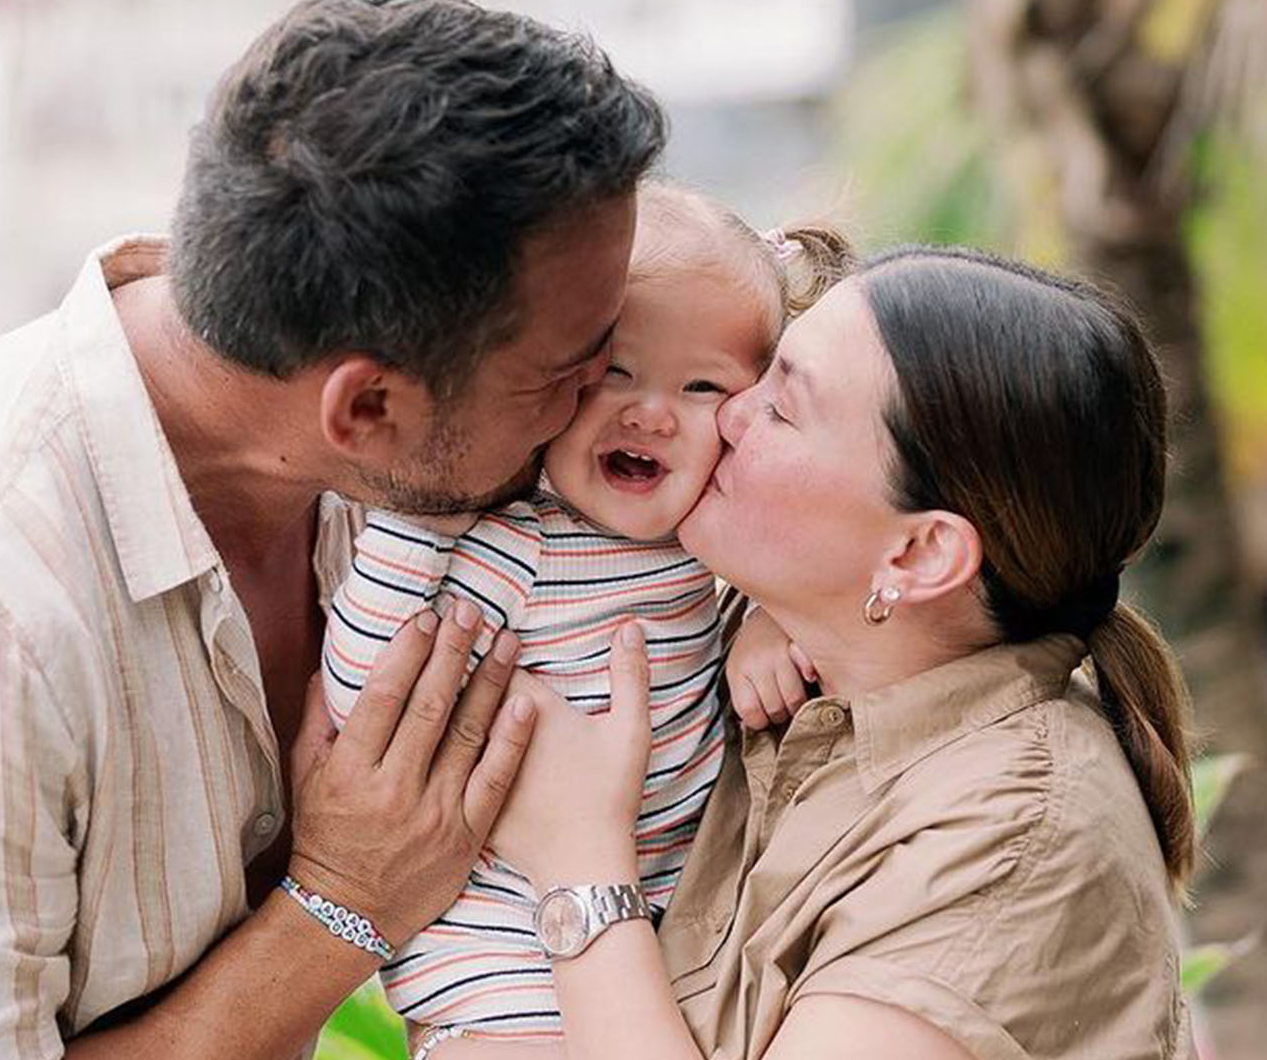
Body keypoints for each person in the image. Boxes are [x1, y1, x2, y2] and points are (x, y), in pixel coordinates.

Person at [0, 0, 667, 1059]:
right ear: (366, 405)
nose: (603, 394)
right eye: (570, 369)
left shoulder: (369, 477)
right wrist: (339, 903)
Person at [440, 247, 1194, 1060]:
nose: (727, 412)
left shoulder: (1015, 841)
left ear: (917, 557)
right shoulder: (776, 650)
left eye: (781, 408)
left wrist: (580, 863)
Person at [321, 183, 851, 1041]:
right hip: (500, 966)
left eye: (701, 385)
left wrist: (772, 622)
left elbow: (817, 579)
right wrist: (414, 525)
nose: (649, 410)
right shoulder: (516, 545)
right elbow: (368, 687)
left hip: (655, 951)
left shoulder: (712, 542)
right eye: (615, 373)